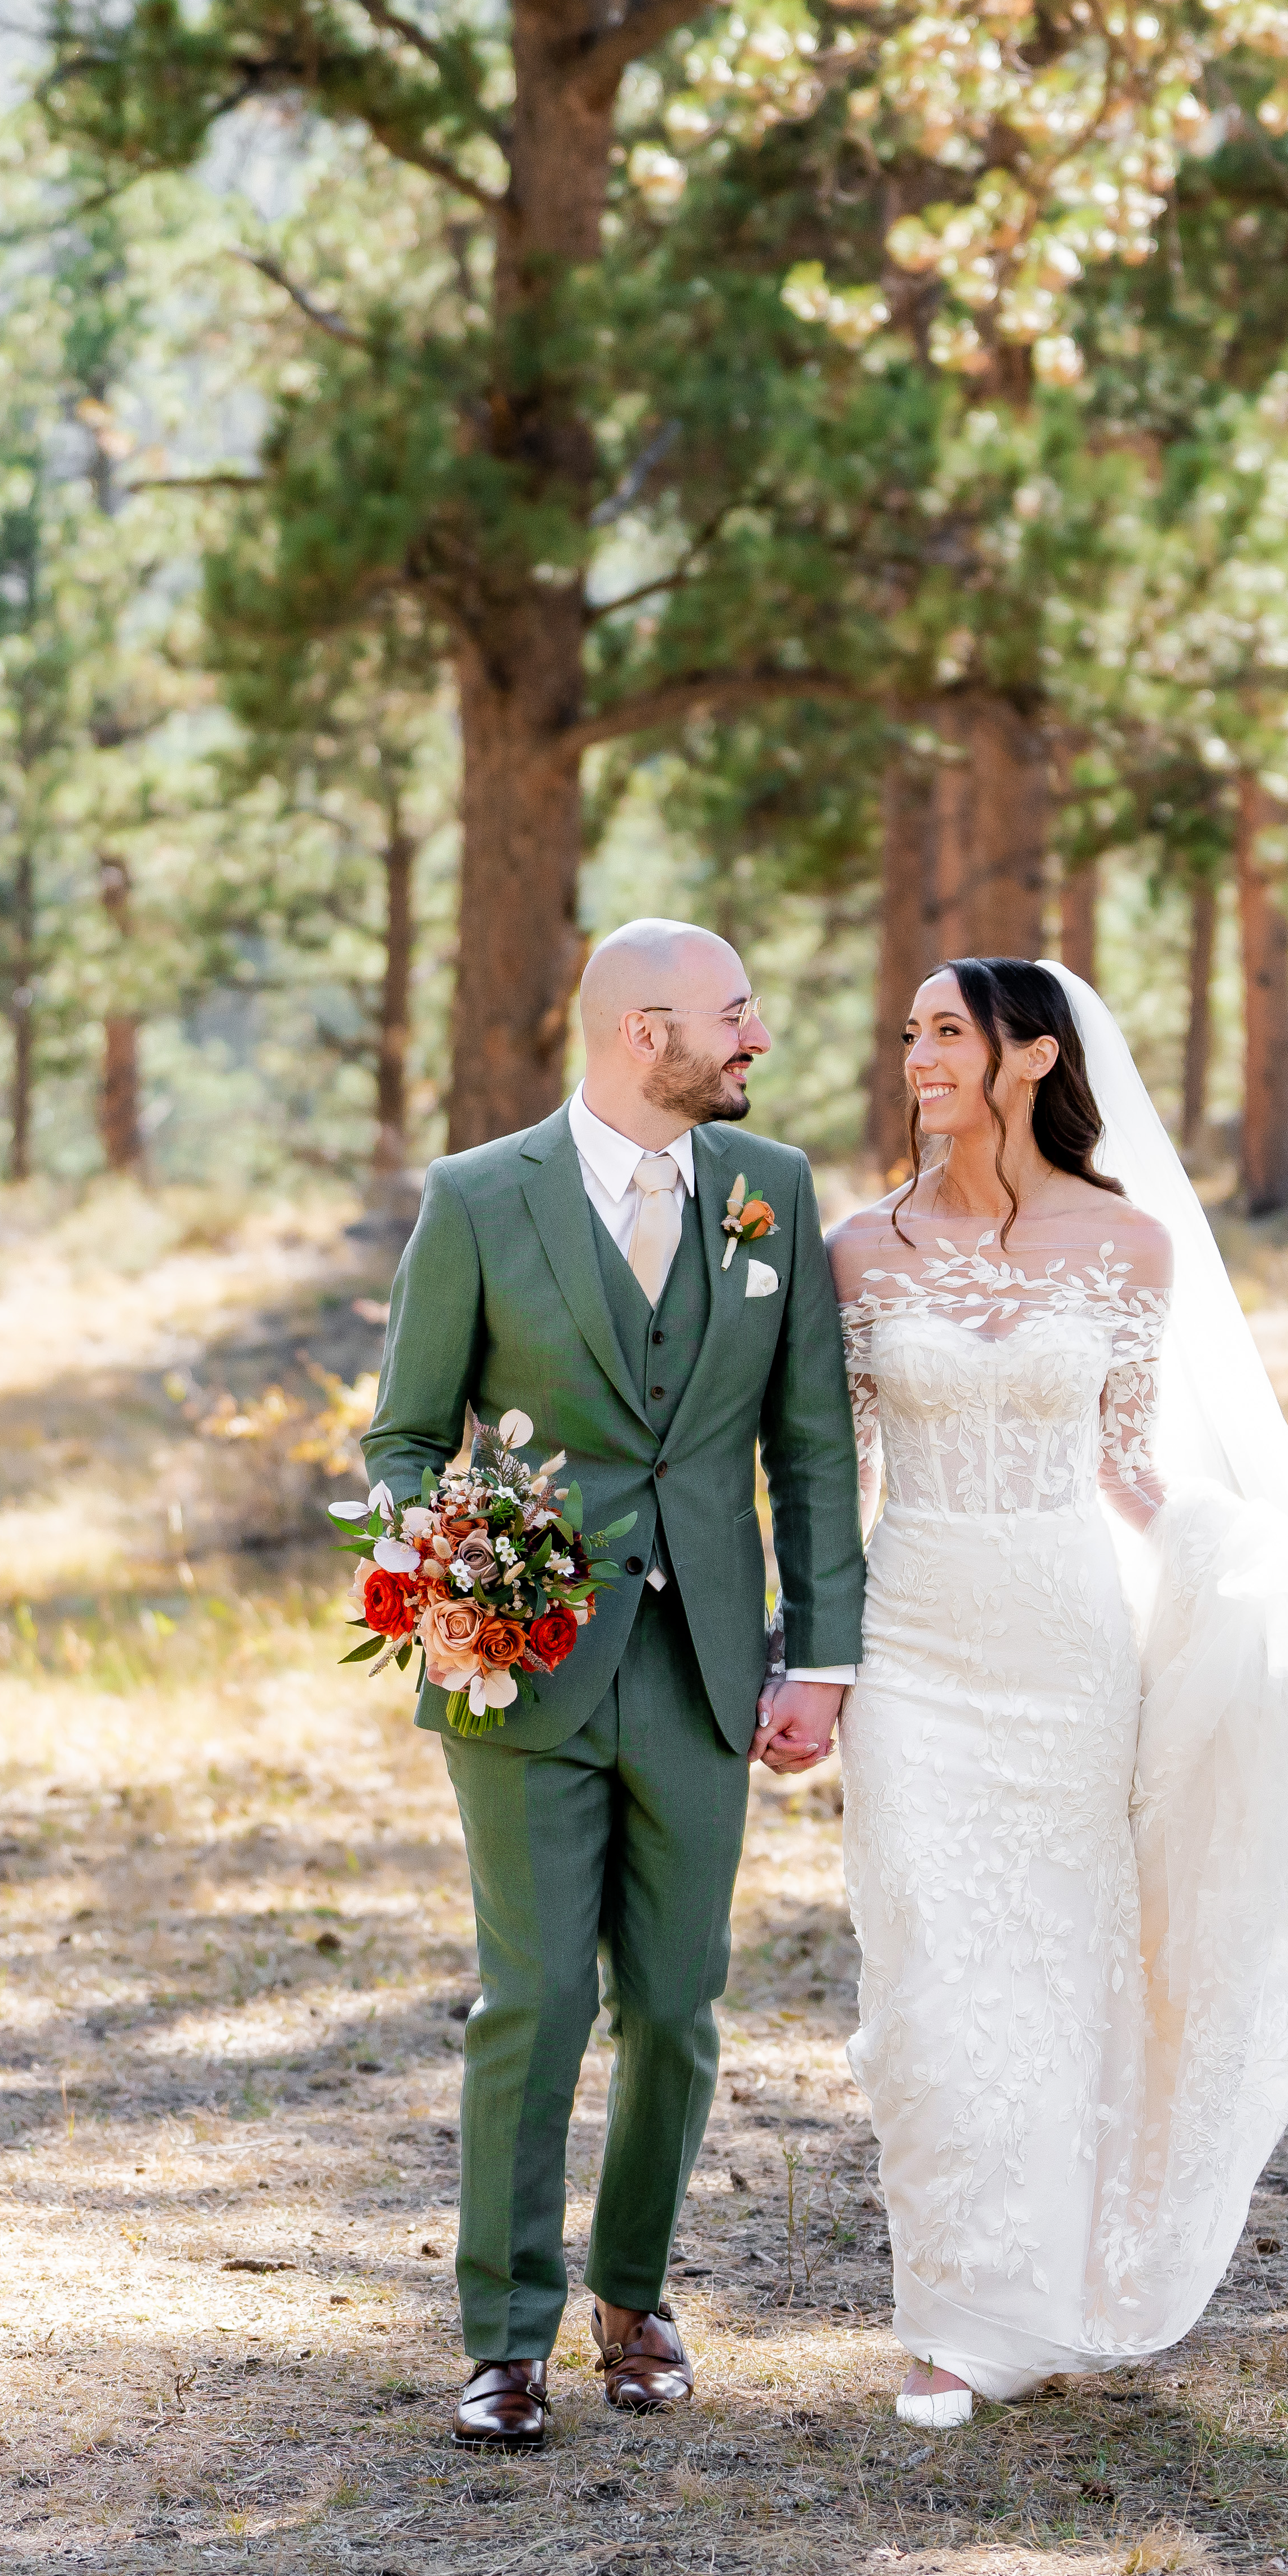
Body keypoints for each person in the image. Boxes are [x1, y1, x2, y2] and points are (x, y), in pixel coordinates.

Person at [830, 958, 1288, 2428]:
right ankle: (949, 2320)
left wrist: (1267, 1575)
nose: (918, 1053)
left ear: (1030, 1056)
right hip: (915, 1647)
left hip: (1071, 1651)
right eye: (913, 1033)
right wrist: (804, 1653)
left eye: (948, 1030)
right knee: (933, 1974)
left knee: (1063, 1970)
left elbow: (1133, 1472)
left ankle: (1049, 2286)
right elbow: (833, 1477)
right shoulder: (858, 1252)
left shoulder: (1129, 1248)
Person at [361, 920, 865, 2453]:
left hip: (714, 1660)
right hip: (523, 1668)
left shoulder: (772, 1195)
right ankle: (504, 2337)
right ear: (647, 1032)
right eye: (736, 1015)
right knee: (533, 1998)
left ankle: (633, 2301)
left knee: (677, 2001)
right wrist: (443, 1564)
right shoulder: (474, 1199)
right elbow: (403, 1436)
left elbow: (811, 1446)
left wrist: (822, 1657)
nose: (756, 1040)